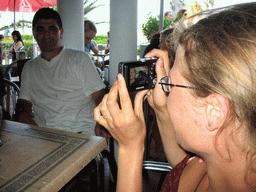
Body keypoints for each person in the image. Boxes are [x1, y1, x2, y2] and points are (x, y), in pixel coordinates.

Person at [94, 2, 256, 191]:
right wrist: (161, 109)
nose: (166, 89)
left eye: (170, 84)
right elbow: (181, 168)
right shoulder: (210, 162)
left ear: (213, 111)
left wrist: (130, 149)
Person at [15, 8, 110, 139]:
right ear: (34, 33)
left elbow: (100, 96)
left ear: (61, 32)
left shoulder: (79, 59)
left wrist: (103, 120)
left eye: (52, 29)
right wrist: (23, 116)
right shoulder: (29, 67)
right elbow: (23, 103)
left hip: (81, 134)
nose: (46, 34)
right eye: (40, 29)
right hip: (44, 136)